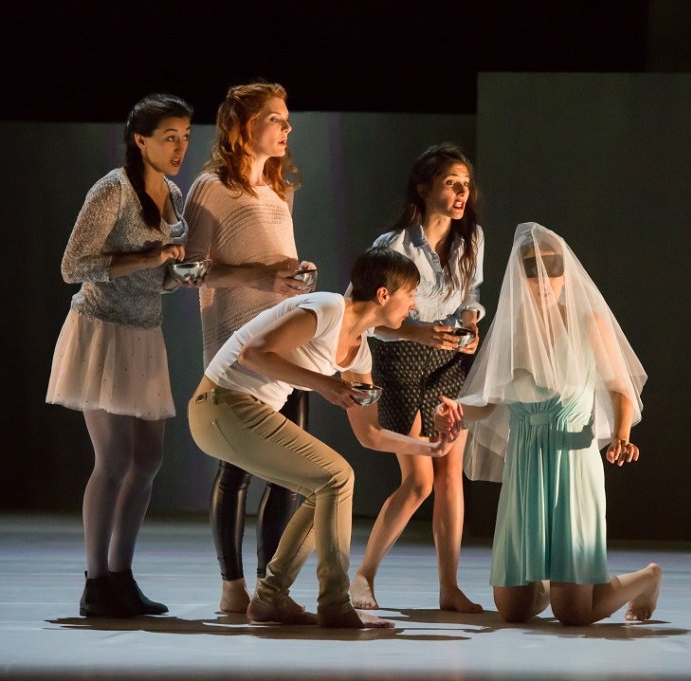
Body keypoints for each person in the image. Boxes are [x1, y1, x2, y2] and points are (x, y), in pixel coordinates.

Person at [188, 247, 447, 628]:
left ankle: (271, 598)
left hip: (242, 411)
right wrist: (325, 384)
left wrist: (430, 446)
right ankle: (334, 602)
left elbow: (370, 434)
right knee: (336, 477)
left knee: (327, 485)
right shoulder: (327, 308)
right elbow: (253, 355)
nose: (412, 305)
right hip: (220, 404)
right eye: (410, 294)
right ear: (383, 295)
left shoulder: (359, 355)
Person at [435, 223, 662, 626]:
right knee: (512, 610)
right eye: (533, 271)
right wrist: (456, 411)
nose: (543, 281)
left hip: (571, 458)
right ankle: (553, 581)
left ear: (565, 274)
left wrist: (622, 434)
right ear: (519, 276)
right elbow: (486, 403)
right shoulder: (511, 327)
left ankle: (645, 579)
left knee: (574, 614)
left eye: (552, 271)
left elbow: (620, 387)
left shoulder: (586, 321)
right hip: (525, 462)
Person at [46, 93, 194, 617]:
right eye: (169, 137)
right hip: (102, 331)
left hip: (144, 333)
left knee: (148, 459)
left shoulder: (173, 194)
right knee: (113, 460)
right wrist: (151, 257)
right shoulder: (113, 189)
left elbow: (160, 278)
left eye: (184, 136)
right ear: (141, 140)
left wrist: (177, 274)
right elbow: (74, 265)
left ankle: (121, 575)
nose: (179, 146)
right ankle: (95, 582)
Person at [183, 81, 313, 614]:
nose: (286, 128)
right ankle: (231, 586)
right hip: (236, 344)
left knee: (293, 468)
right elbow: (191, 270)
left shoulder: (278, 191)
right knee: (236, 467)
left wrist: (295, 279)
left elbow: (280, 263)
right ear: (244, 126)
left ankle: (268, 586)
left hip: (286, 343)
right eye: (276, 119)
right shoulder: (211, 188)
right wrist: (262, 276)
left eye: (286, 120)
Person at [350, 143, 485, 613]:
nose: (462, 191)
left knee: (451, 476)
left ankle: (449, 588)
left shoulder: (472, 240)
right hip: (401, 361)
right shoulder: (392, 247)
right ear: (425, 189)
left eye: (466, 183)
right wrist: (417, 331)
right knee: (419, 482)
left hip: (449, 363)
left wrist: (469, 327)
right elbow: (363, 315)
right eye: (452, 182)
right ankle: (362, 576)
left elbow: (472, 297)